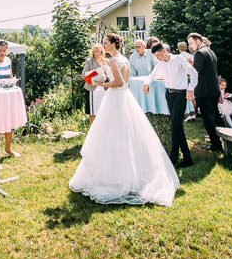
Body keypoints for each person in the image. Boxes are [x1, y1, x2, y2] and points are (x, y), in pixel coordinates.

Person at [69, 33, 180, 205]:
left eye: (105, 43)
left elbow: (118, 82)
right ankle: (133, 174)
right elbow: (121, 80)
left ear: (113, 44)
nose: (103, 46)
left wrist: (101, 84)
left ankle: (114, 176)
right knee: (126, 134)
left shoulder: (114, 61)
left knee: (113, 134)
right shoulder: (124, 59)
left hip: (115, 97)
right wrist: (105, 70)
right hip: (125, 97)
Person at [143, 41, 198, 167]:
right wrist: (146, 83)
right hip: (169, 95)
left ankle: (173, 157)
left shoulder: (179, 59)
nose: (157, 58)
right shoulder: (160, 64)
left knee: (175, 124)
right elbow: (152, 75)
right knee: (177, 125)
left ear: (164, 51)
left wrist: (190, 88)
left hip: (180, 95)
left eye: (158, 55)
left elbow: (194, 73)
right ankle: (187, 157)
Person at [188, 33, 223, 153]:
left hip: (204, 90)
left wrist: (188, 65)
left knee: (208, 118)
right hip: (214, 89)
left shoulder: (199, 53)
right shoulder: (209, 51)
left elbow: (195, 71)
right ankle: (226, 140)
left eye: (191, 43)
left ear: (198, 41)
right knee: (216, 115)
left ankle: (216, 144)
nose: (190, 46)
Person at [81, 43, 109, 124]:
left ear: (102, 52)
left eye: (98, 51)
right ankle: (92, 132)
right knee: (93, 112)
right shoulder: (89, 61)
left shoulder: (106, 61)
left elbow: (111, 74)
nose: (97, 53)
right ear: (92, 52)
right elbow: (83, 75)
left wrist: (106, 76)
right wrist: (94, 75)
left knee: (104, 111)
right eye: (95, 51)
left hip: (104, 88)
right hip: (92, 89)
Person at [176, 41, 197, 121]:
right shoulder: (191, 56)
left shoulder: (179, 57)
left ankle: (188, 114)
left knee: (185, 96)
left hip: (184, 77)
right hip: (192, 76)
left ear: (179, 48)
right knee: (193, 97)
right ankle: (194, 113)